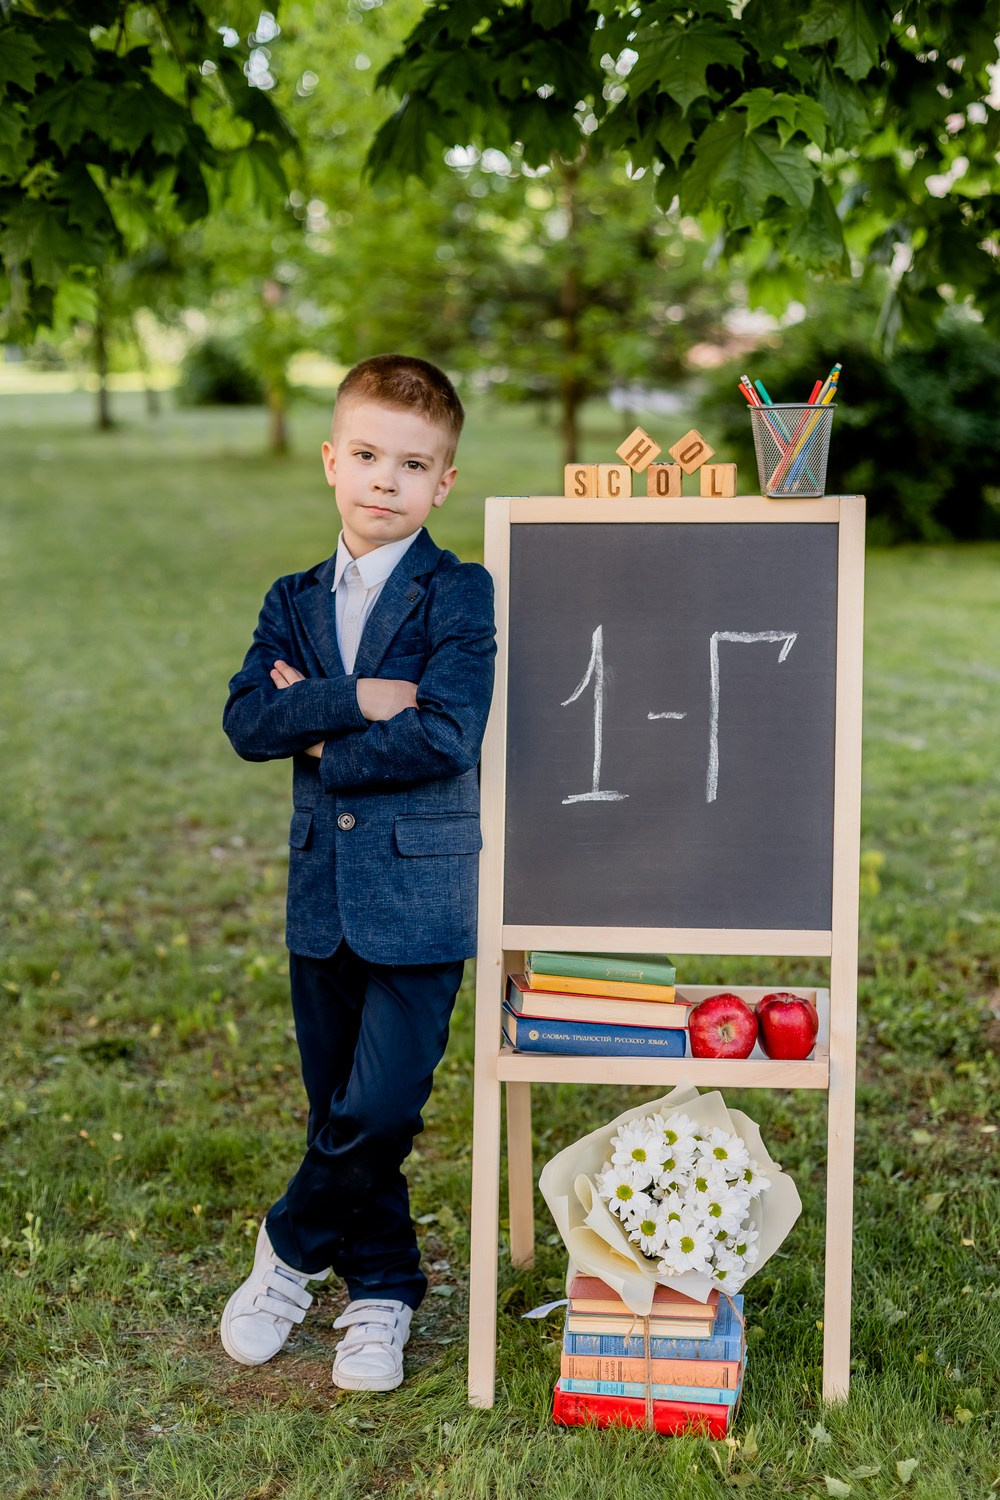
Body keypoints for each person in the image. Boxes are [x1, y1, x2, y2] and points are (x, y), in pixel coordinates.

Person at [219, 354, 496, 1391]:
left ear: (443, 483)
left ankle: (288, 1249)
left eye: (413, 464)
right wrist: (362, 696)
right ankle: (382, 1289)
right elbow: (249, 721)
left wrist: (327, 734)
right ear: (333, 460)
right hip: (320, 895)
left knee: (382, 1104)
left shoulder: (457, 591)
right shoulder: (290, 600)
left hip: (422, 894)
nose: (387, 480)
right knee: (334, 1101)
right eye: (369, 455)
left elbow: (449, 733)